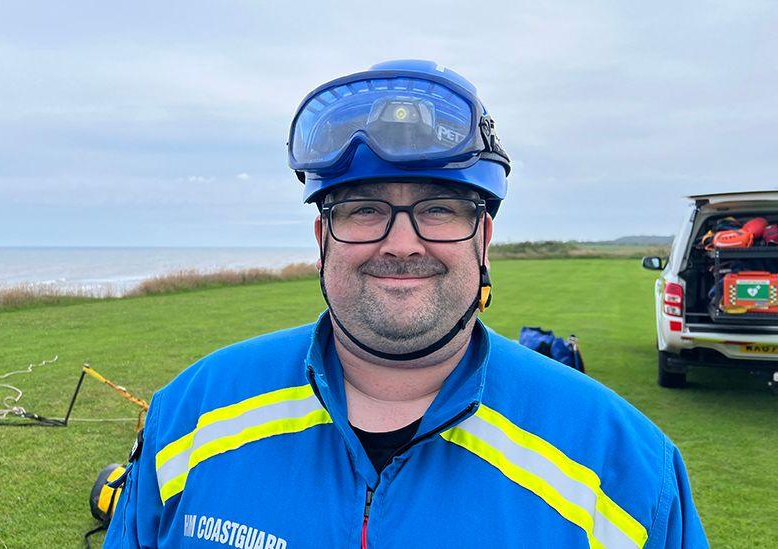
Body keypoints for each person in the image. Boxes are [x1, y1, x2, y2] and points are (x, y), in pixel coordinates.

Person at [103, 60, 708, 548]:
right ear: (323, 242)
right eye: (363, 208)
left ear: (484, 241)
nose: (400, 243)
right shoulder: (191, 413)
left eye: (439, 209)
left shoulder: (626, 466)